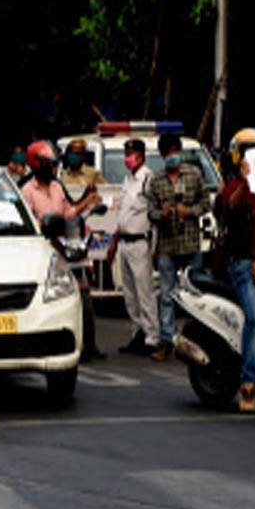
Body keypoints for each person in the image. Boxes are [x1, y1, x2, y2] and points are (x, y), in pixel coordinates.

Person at [21, 140, 105, 360]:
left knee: (84, 292)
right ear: (36, 163)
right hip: (42, 253)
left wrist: (87, 201)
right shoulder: (27, 191)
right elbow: (28, 223)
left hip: (65, 247)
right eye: (48, 163)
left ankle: (90, 344)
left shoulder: (58, 187)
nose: (53, 167)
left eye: (53, 163)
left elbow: (69, 212)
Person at [216, 128, 255, 412]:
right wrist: (247, 181)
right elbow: (229, 205)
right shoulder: (233, 186)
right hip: (242, 262)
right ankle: (248, 385)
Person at [147, 132, 207, 361]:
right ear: (163, 155)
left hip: (191, 243)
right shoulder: (157, 180)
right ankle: (167, 342)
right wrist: (161, 214)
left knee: (197, 294)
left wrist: (189, 212)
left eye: (175, 151)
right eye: (168, 152)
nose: (173, 156)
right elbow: (150, 213)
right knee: (166, 296)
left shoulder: (194, 174)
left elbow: (206, 203)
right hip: (167, 246)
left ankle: (200, 341)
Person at [108, 138, 158, 355]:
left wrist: (155, 249)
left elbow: (155, 217)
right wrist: (113, 242)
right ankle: (137, 333)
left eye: (132, 154)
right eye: (126, 154)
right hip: (124, 242)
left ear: (141, 156)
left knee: (144, 292)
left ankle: (151, 337)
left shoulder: (148, 180)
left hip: (140, 243)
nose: (127, 158)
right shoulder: (127, 180)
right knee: (129, 294)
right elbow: (123, 215)